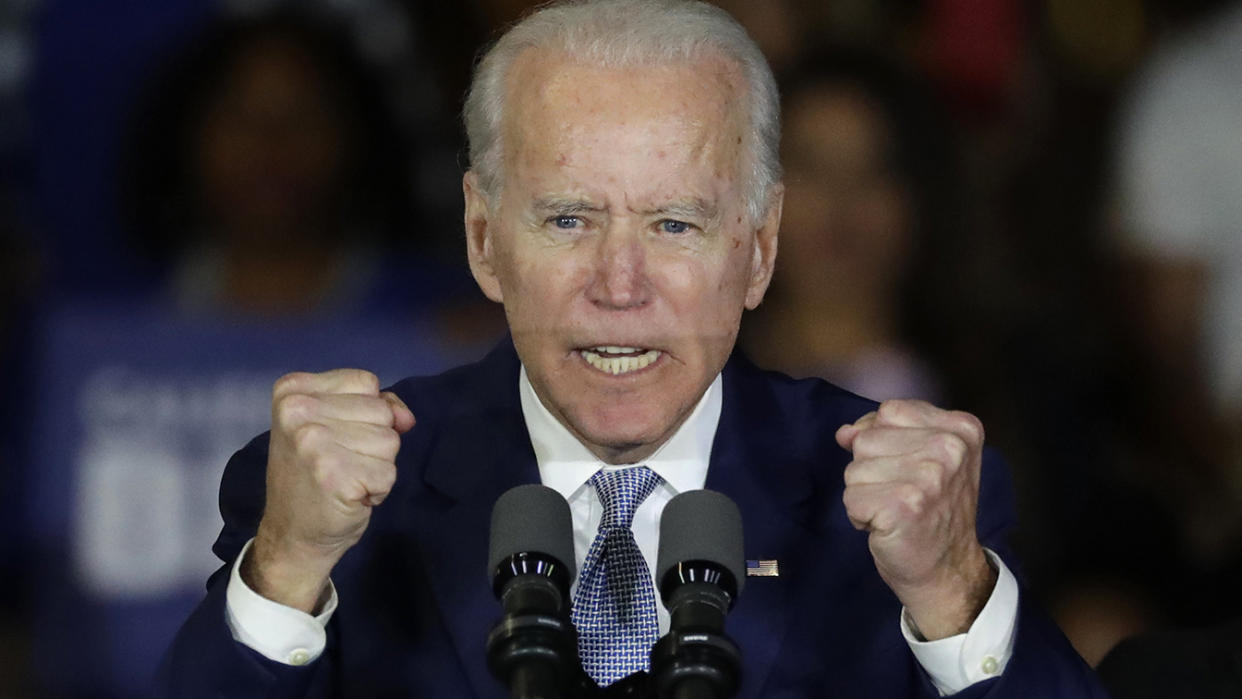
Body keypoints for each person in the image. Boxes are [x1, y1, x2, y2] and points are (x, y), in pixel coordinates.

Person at [155, 1, 1106, 696]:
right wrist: (283, 568)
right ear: (485, 239)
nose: (619, 283)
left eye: (675, 224)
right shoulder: (346, 496)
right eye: (568, 219)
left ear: (759, 249)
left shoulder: (893, 503)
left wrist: (953, 597)